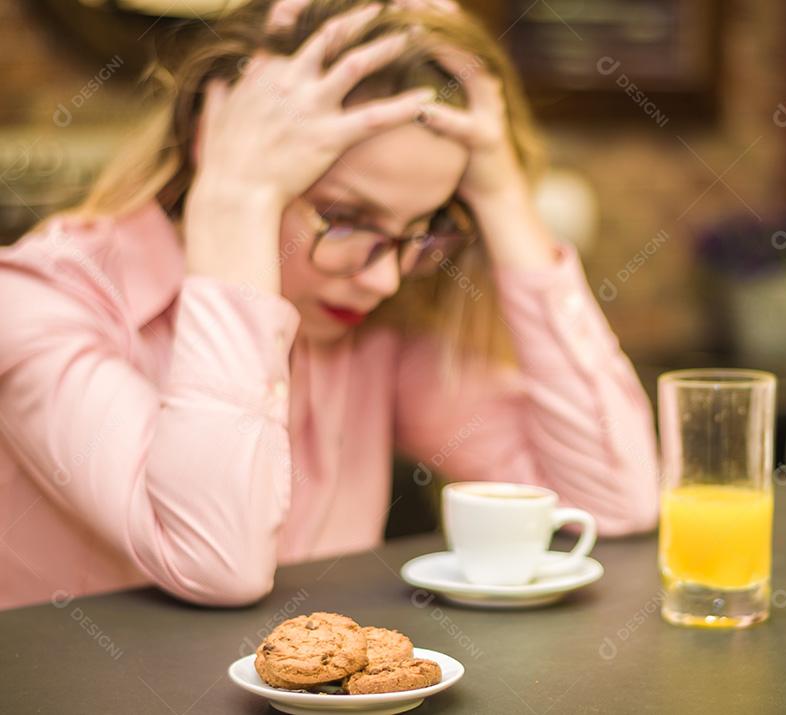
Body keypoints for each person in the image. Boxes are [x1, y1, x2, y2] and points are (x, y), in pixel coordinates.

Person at [0, 0, 658, 611]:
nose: (385, 280)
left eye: (423, 227)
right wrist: (234, 201)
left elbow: (612, 502)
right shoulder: (39, 300)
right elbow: (218, 562)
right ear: (218, 145)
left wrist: (503, 195)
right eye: (344, 218)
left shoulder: (374, 332)